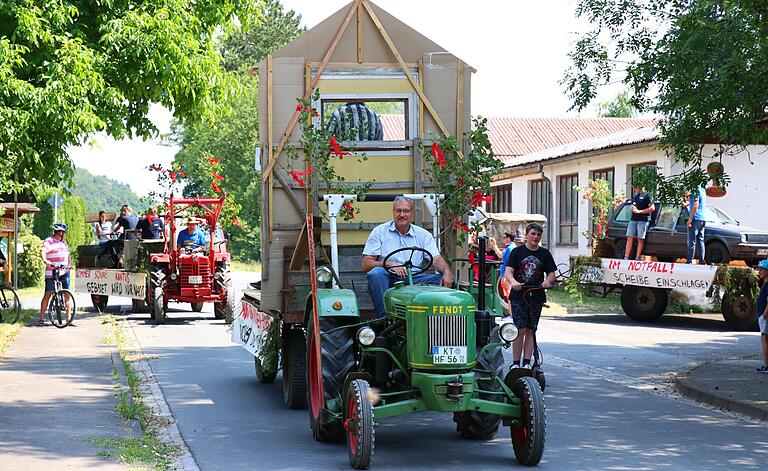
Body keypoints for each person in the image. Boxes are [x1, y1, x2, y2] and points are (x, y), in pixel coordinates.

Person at [362, 196, 453, 318]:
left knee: (444, 280)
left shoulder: (423, 235)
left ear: (412, 214)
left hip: (415, 278)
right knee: (376, 273)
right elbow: (366, 264)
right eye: (398, 210)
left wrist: (447, 272)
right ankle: (384, 319)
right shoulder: (380, 232)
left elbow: (436, 258)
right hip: (389, 278)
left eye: (406, 211)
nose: (402, 214)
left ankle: (438, 321)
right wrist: (389, 264)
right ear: (393, 212)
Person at [503, 223, 556, 369]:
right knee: (519, 329)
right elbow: (508, 272)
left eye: (539, 235)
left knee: (531, 329)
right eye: (533, 234)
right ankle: (515, 363)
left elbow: (552, 273)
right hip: (519, 295)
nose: (536, 237)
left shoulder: (545, 254)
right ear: (526, 235)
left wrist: (547, 281)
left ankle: (527, 362)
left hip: (536, 295)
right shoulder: (517, 252)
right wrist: (513, 282)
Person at [39, 223, 71, 326]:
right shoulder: (49, 240)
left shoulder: (63, 243)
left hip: (64, 271)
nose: (65, 234)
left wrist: (69, 265)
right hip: (51, 272)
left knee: (67, 294)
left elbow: (68, 255)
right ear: (60, 232)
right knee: (48, 294)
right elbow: (43, 251)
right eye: (64, 232)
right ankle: (42, 318)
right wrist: (45, 260)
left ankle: (69, 319)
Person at [625, 184, 655, 260]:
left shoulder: (647, 196)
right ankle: (626, 257)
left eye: (636, 187)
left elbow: (652, 208)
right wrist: (632, 208)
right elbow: (633, 204)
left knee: (640, 238)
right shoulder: (635, 196)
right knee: (629, 237)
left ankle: (637, 257)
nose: (635, 189)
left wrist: (640, 211)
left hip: (643, 219)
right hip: (633, 219)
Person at [685, 188, 707, 264]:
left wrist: (690, 219)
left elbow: (695, 204)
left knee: (691, 241)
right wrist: (687, 203)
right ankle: (702, 261)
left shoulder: (695, 189)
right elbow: (696, 202)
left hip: (695, 218)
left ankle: (689, 261)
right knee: (700, 241)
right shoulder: (702, 189)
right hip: (702, 218)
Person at [756, 260, 768, 373]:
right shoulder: (765, 283)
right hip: (764, 316)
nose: (759, 271)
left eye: (762, 270)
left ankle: (766, 365)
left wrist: (764, 315)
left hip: (766, 317)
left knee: (764, 339)